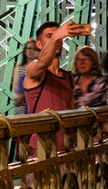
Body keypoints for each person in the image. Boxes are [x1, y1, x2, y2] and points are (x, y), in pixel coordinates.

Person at [23, 21, 79, 153]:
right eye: (49, 36)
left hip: (65, 150)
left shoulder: (68, 77)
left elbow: (71, 111)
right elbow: (43, 63)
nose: (57, 40)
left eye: (59, 37)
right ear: (39, 44)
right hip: (40, 151)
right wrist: (56, 36)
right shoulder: (34, 69)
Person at [10, 40, 39, 112]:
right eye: (29, 48)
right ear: (25, 51)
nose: (31, 51)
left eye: (34, 49)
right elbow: (16, 87)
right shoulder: (19, 67)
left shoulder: (40, 69)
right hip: (22, 106)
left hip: (36, 104)